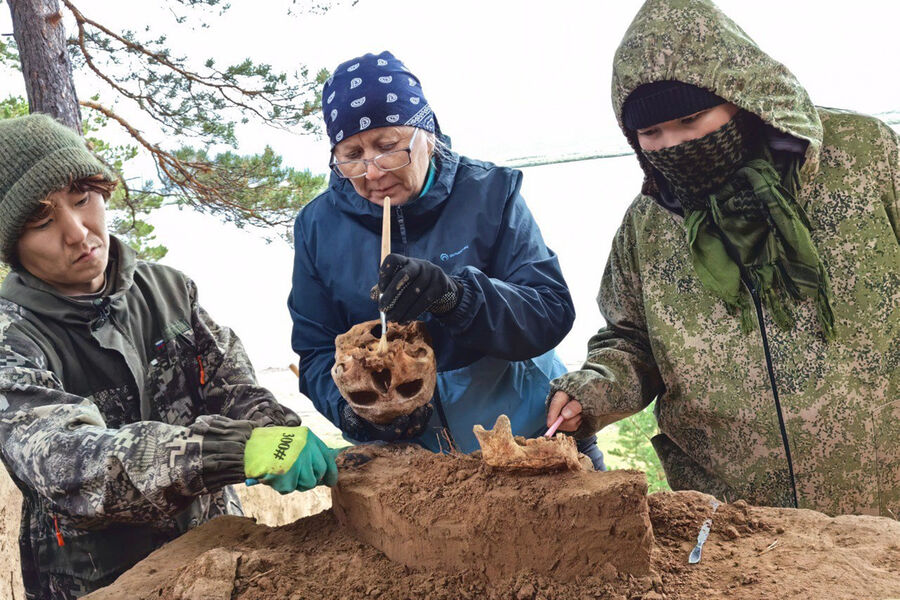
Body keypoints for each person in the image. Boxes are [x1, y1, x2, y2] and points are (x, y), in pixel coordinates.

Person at [548, 0, 900, 517]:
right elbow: (630, 339)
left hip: (884, 501)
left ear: (743, 98)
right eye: (652, 134)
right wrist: (592, 393)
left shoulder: (864, 157)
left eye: (692, 119)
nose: (676, 144)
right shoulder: (649, 223)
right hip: (737, 519)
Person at [0, 114, 338, 599]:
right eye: (42, 222)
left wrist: (279, 432)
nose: (77, 232)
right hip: (99, 583)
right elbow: (69, 462)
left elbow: (233, 387)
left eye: (82, 201)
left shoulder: (170, 290)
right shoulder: (11, 338)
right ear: (13, 244)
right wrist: (224, 451)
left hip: (218, 560)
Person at [288, 51, 605, 469]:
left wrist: (456, 298)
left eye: (388, 147)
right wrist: (361, 415)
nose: (373, 172)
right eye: (351, 154)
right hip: (415, 467)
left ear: (428, 134)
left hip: (526, 439)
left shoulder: (490, 193)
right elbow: (314, 352)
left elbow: (549, 311)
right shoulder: (317, 225)